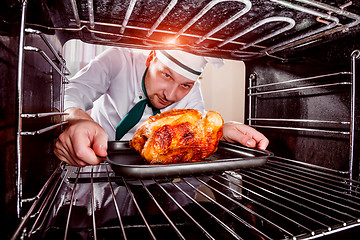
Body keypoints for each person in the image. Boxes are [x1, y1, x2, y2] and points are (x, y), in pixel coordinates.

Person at [54, 48, 269, 167]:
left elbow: (197, 131)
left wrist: (222, 131)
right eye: (166, 75)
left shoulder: (192, 92)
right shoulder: (118, 60)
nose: (170, 95)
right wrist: (77, 119)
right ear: (151, 58)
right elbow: (69, 93)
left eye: (185, 85)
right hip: (95, 163)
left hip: (155, 176)